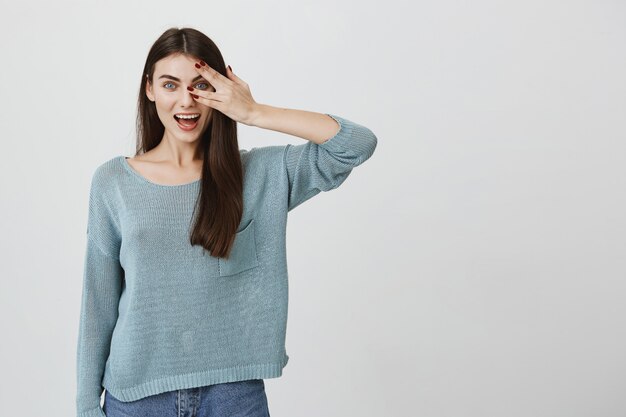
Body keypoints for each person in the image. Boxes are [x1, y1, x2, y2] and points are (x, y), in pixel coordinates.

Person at [76, 27, 378, 417]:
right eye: (171, 84)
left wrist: (253, 112)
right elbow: (97, 303)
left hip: (233, 397)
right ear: (149, 89)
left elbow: (355, 145)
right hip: (137, 398)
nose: (187, 100)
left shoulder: (259, 174)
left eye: (200, 85)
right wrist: (85, 406)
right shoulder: (112, 183)